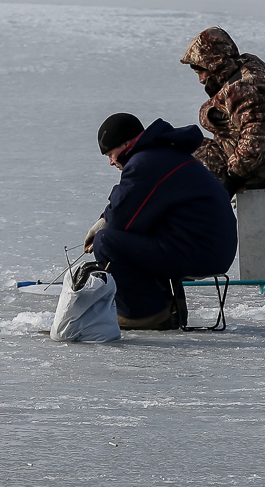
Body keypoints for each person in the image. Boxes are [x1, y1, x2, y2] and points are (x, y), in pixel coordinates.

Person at [84, 113, 238, 330]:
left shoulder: (144, 163)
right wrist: (106, 218)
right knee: (137, 234)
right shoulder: (163, 154)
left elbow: (121, 220)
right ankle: (171, 306)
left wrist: (104, 222)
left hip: (200, 251)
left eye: (111, 154)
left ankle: (145, 314)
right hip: (210, 248)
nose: (111, 162)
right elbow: (135, 207)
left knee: (106, 242)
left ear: (127, 144)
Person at [180, 27, 265, 196]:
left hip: (260, 171)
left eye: (201, 71)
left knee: (178, 156)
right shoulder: (252, 70)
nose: (201, 80)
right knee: (183, 143)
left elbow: (259, 135)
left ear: (214, 63)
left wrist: (232, 179)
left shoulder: (241, 87)